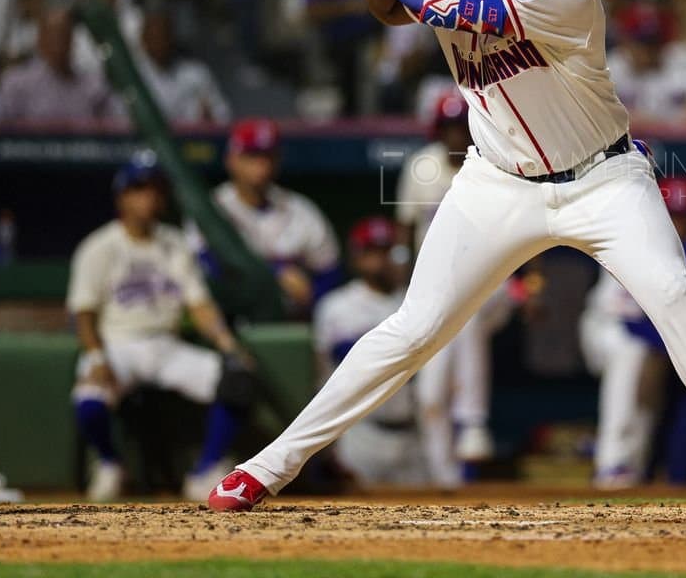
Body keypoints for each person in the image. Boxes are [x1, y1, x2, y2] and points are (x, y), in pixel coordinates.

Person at [208, 0, 686, 515]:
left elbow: (463, 9)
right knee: (413, 329)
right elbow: (390, 7)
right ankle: (269, 465)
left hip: (603, 179)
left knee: (674, 293)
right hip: (497, 182)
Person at [68, 151, 253, 502]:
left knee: (237, 378)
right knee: (89, 396)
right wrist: (95, 356)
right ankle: (109, 464)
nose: (148, 197)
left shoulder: (174, 243)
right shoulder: (99, 246)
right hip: (118, 344)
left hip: (167, 347)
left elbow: (198, 303)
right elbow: (83, 314)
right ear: (122, 196)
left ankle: (204, 471)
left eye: (155, 189)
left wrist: (227, 343)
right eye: (139, 188)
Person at [395, 92, 519, 486]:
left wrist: (532, 285)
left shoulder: (493, 164)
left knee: (467, 307)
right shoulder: (421, 167)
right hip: (436, 290)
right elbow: (404, 233)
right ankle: (449, 481)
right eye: (447, 127)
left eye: (460, 126)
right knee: (430, 396)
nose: (454, 135)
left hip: (493, 285)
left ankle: (474, 422)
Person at [579, 175, 686, 489]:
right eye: (671, 215)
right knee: (632, 358)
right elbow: (631, 319)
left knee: (652, 391)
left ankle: (635, 467)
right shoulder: (630, 234)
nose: (679, 223)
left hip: (659, 332)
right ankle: (614, 461)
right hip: (611, 330)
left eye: (685, 215)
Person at [312, 217, 427, 488]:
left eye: (385, 250)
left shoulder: (415, 302)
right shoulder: (338, 305)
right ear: (356, 257)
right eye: (370, 251)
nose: (380, 260)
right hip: (361, 432)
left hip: (413, 432)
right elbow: (343, 361)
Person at [191, 118, 341, 317]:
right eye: (252, 155)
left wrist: (312, 295)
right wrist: (275, 272)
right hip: (233, 314)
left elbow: (331, 271)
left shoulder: (300, 210)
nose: (262, 164)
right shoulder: (212, 207)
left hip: (292, 317)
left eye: (269, 155)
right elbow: (208, 267)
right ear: (232, 160)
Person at [0, 7, 118, 122]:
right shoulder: (15, 84)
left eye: (64, 36)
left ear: (72, 41)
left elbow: (113, 130)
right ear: (40, 40)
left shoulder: (94, 85)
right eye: (52, 37)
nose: (58, 44)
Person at [136, 11, 231, 124]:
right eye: (154, 38)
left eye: (164, 37)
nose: (160, 44)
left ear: (172, 39)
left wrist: (210, 115)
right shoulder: (134, 75)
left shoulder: (196, 73)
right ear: (143, 41)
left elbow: (223, 116)